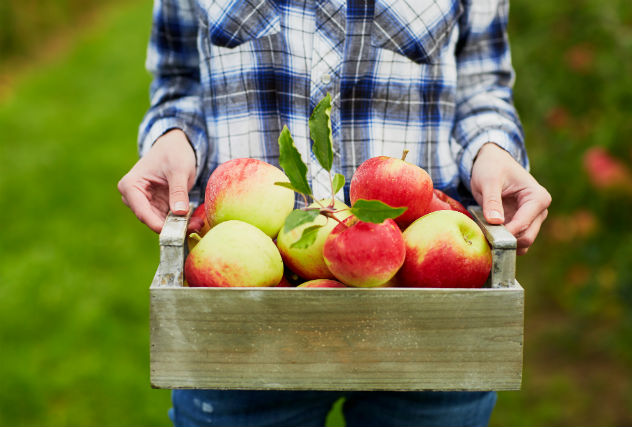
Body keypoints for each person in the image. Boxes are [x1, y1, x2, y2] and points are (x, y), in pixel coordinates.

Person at [118, 0, 551, 426]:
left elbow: (481, 87)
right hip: (243, 321)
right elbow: (179, 78)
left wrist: (491, 149)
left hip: (429, 309)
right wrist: (171, 135)